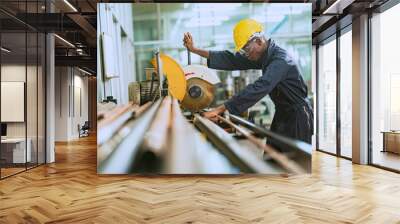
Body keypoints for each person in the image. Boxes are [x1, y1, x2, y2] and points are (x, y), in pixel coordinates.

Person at [183, 19, 313, 144]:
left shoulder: (280, 60)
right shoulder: (264, 56)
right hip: (282, 114)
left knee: (296, 162)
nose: (246, 54)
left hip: (298, 117)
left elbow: (260, 87)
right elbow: (232, 59)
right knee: (272, 160)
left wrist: (221, 109)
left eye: (246, 49)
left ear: (259, 41)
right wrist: (195, 50)